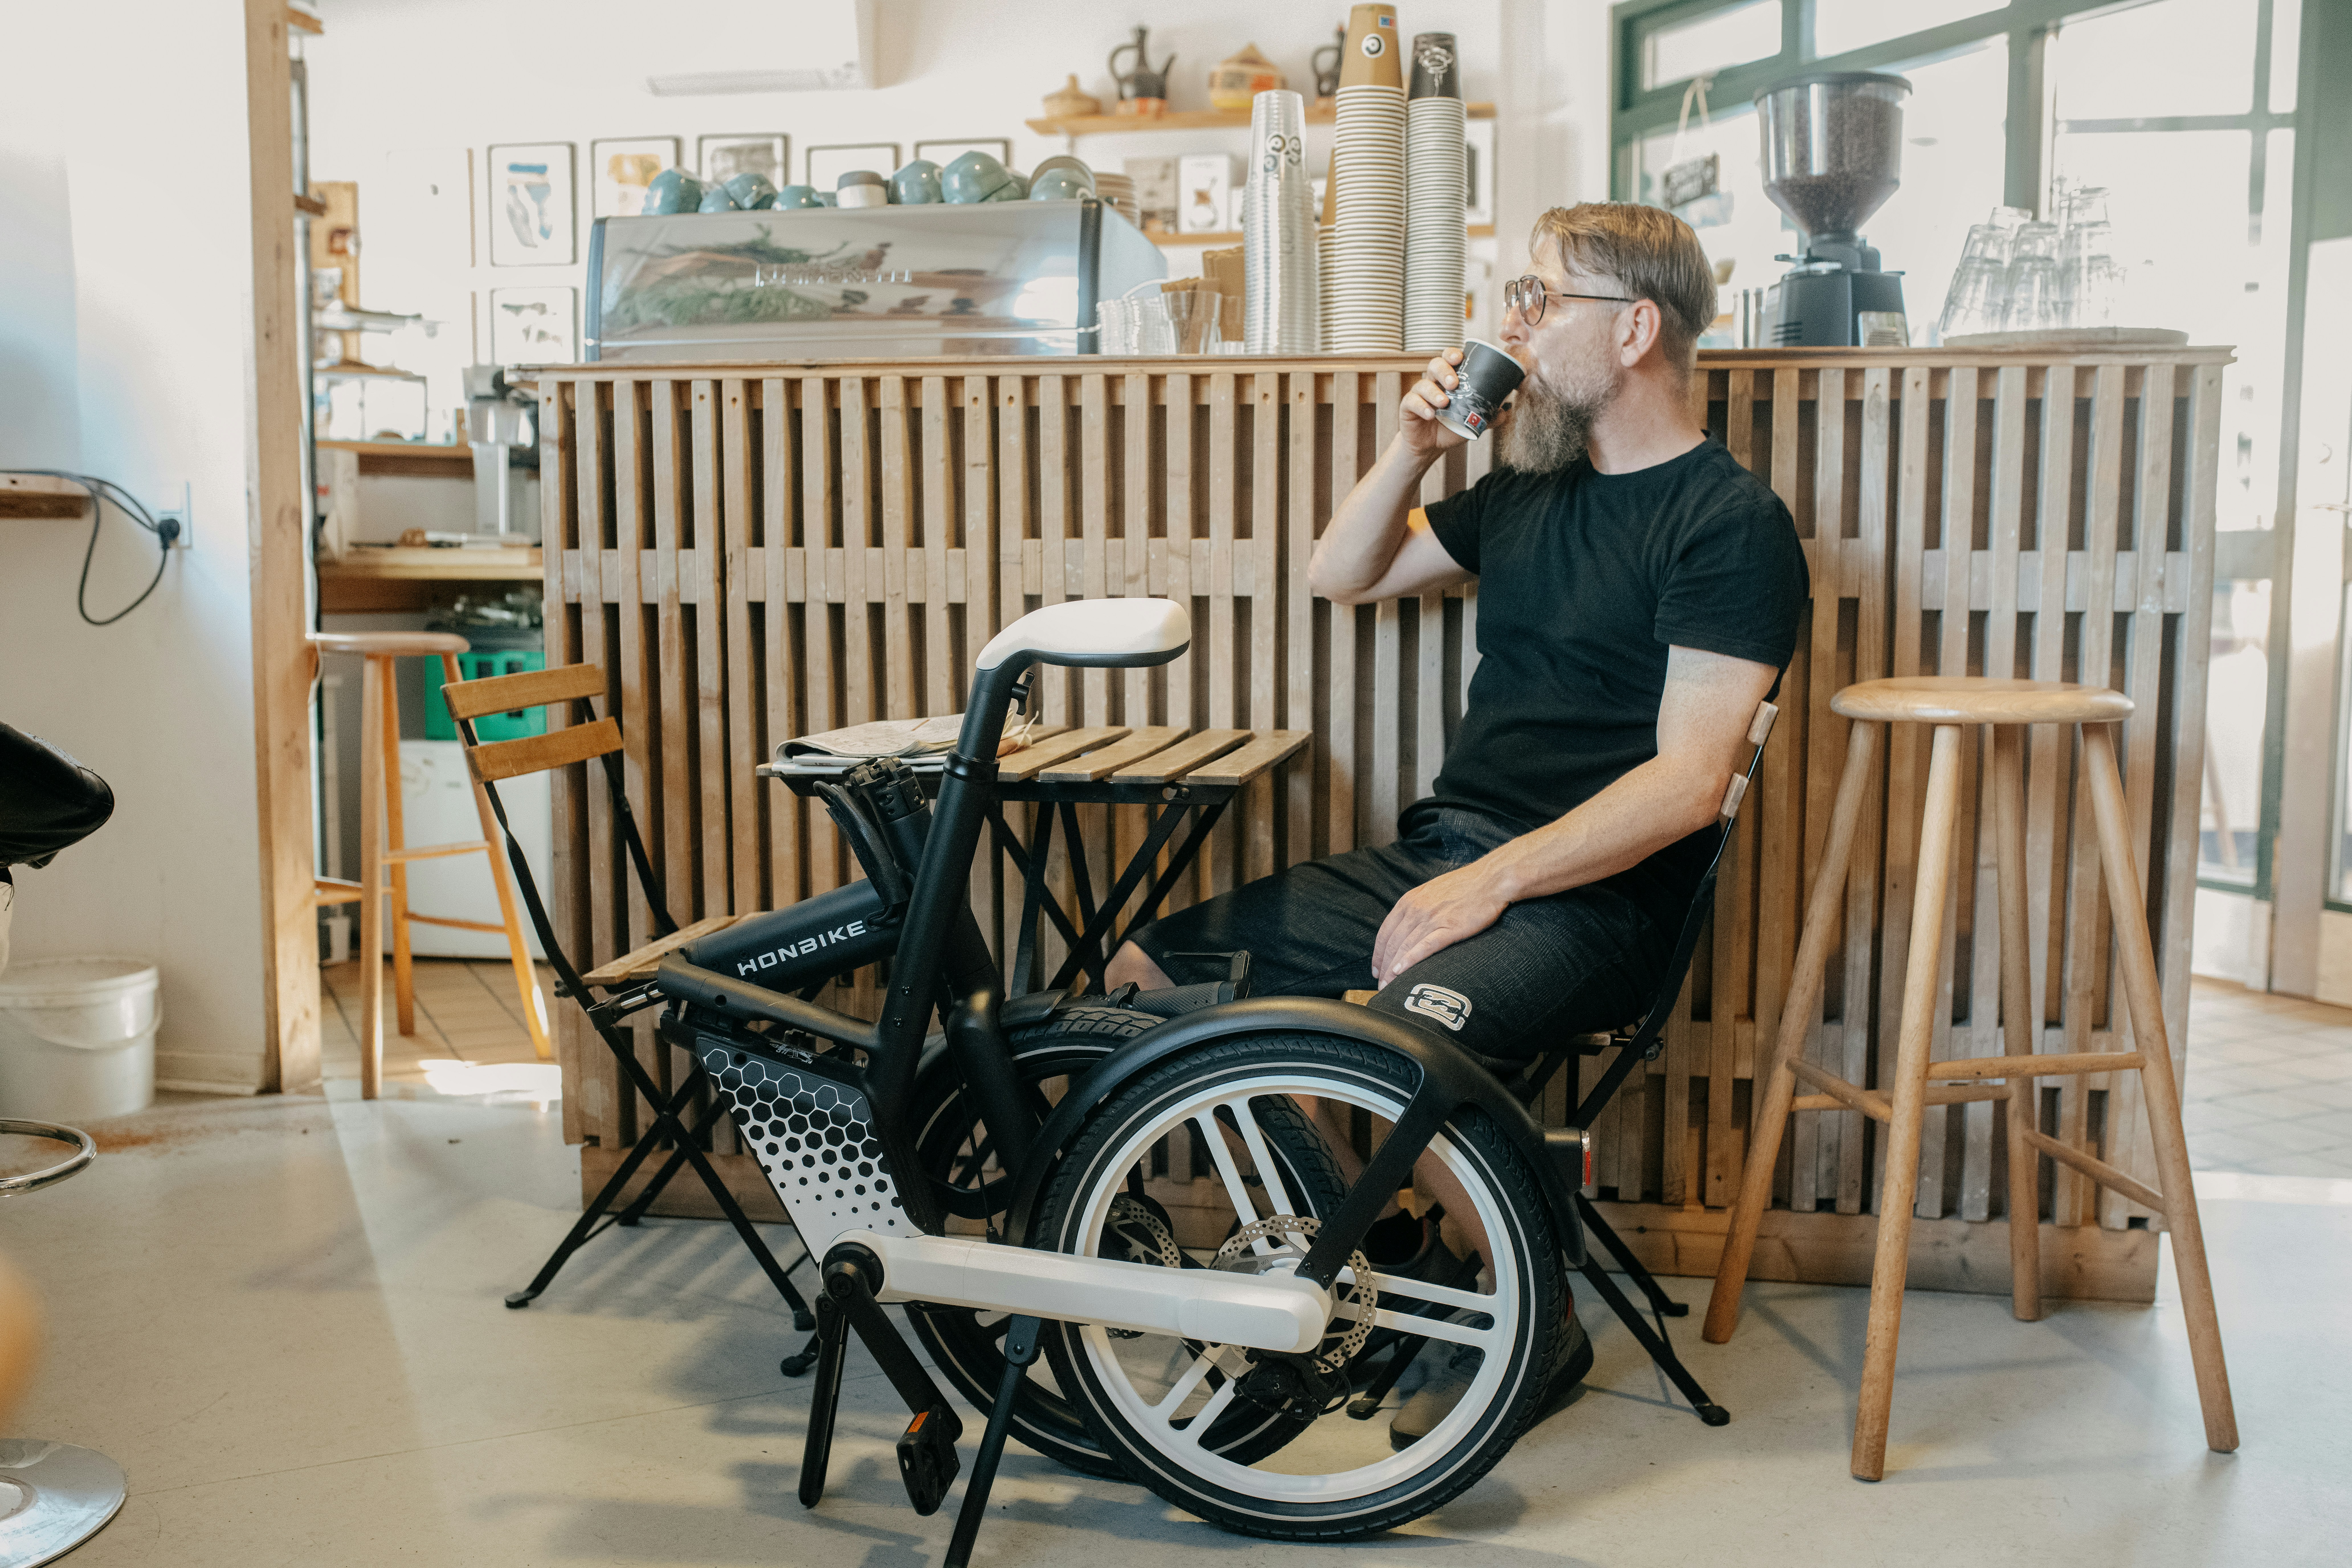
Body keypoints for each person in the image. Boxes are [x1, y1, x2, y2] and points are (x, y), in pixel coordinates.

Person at [1104, 202, 1808, 1445]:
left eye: (1542, 301)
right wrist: (1415, 445)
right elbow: (1343, 572)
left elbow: (1687, 785)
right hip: (1450, 854)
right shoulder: (1527, 489)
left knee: (1387, 1040)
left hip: (1602, 895)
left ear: (1636, 327)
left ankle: (1536, 1326)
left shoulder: (1727, 523)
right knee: (1154, 978)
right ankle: (1377, 1252)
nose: (1514, 326)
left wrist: (1494, 885)